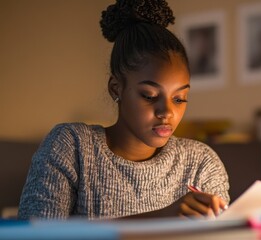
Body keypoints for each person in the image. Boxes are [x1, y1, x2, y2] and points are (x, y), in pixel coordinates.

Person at [18, 0, 229, 220]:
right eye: (149, 96)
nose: (166, 112)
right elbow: (34, 233)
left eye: (179, 98)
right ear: (116, 88)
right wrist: (161, 218)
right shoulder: (72, 147)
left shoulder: (201, 163)